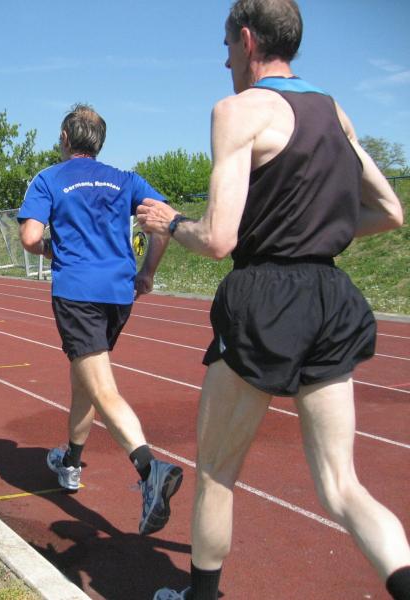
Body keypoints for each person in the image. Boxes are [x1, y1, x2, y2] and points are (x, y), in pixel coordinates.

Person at [136, 1, 410, 599]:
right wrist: (317, 233)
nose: (225, 61)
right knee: (342, 486)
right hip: (329, 295)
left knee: (216, 472)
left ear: (248, 39)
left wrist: (169, 222)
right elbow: (390, 211)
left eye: (226, 47)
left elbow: (218, 240)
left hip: (264, 296)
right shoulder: (334, 111)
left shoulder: (237, 111)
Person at [18, 104, 183, 536]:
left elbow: (30, 237)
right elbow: (164, 223)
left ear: (64, 137)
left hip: (78, 293)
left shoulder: (49, 179)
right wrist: (148, 272)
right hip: (118, 294)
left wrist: (52, 250)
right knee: (85, 380)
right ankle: (71, 460)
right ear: (100, 141)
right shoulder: (125, 179)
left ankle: (149, 469)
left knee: (102, 389)